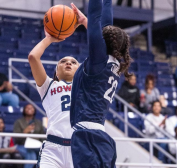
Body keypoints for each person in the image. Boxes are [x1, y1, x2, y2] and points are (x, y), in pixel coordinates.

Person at [70, 0, 132, 167]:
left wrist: (88, 20)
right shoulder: (114, 63)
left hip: (87, 136)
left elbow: (96, 17)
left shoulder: (99, 59)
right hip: (100, 137)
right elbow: (104, 20)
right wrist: (84, 22)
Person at [28, 3, 87, 168]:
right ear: (56, 70)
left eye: (73, 62)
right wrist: (50, 38)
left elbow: (105, 52)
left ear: (80, 70)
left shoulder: (86, 86)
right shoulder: (48, 85)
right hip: (53, 148)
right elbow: (33, 57)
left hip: (80, 147)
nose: (68, 63)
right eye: (63, 61)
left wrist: (85, 22)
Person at [0, 101, 22, 168]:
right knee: (6, 156)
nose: (0, 125)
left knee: (17, 156)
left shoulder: (7, 135)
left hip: (7, 153)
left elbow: (11, 146)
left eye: (1, 123)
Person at [13, 104, 45, 168]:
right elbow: (16, 138)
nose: (29, 109)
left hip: (37, 146)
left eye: (31, 107)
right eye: (27, 107)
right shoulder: (19, 122)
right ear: (24, 110)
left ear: (34, 110)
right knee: (32, 155)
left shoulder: (39, 122)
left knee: (41, 153)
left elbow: (43, 136)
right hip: (23, 145)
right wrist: (25, 132)